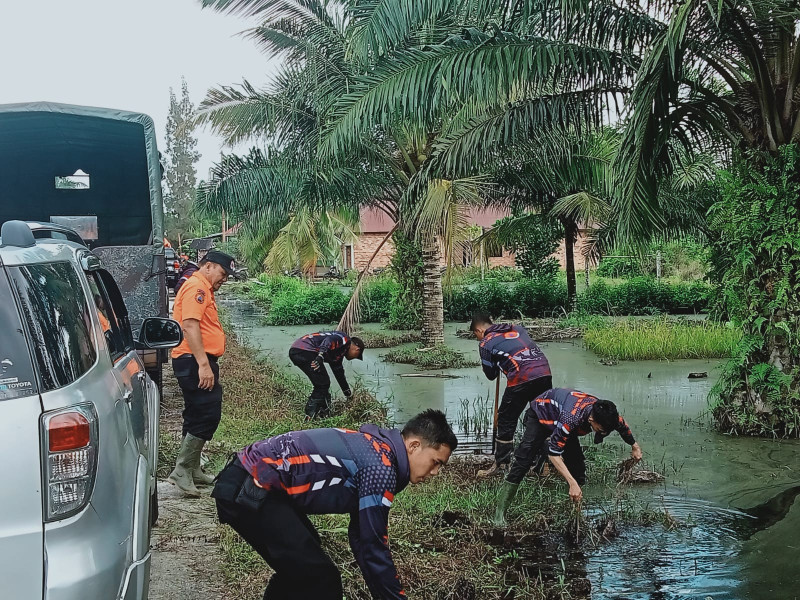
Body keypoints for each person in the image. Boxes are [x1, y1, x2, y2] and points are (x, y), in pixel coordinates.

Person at [212, 409, 458, 600]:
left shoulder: (379, 453)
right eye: (435, 462)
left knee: (303, 567)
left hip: (251, 484)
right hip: (251, 488)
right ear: (414, 446)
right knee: (320, 578)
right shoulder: (381, 466)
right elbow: (373, 545)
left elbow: (362, 538)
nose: (436, 472)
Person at [493, 388, 643, 526]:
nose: (603, 433)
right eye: (601, 430)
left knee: (577, 466)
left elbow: (622, 426)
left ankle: (574, 514)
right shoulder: (570, 418)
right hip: (540, 415)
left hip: (563, 418)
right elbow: (554, 454)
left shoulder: (606, 414)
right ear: (592, 420)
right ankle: (499, 514)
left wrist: (634, 446)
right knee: (523, 462)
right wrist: (571, 483)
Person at [167, 250, 236, 497]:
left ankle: (193, 468)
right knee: (208, 413)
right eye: (223, 273)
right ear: (208, 266)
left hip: (195, 360)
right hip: (194, 361)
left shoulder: (202, 288)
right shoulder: (197, 287)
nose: (224, 279)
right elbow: (190, 324)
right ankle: (183, 469)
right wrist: (203, 364)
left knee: (196, 412)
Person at [470, 312, 552, 472]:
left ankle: (502, 464)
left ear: (479, 330)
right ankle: (545, 464)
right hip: (544, 372)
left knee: (506, 419)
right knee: (542, 417)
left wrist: (496, 363)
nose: (478, 339)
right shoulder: (517, 328)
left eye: (475, 335)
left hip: (522, 377)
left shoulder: (485, 343)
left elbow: (491, 375)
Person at [289, 331, 365, 419]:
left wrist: (348, 394)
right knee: (323, 384)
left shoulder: (338, 353)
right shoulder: (344, 339)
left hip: (298, 350)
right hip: (305, 350)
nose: (354, 358)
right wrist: (320, 356)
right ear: (357, 349)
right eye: (357, 356)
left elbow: (339, 374)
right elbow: (329, 340)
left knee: (323, 384)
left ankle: (323, 413)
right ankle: (309, 415)